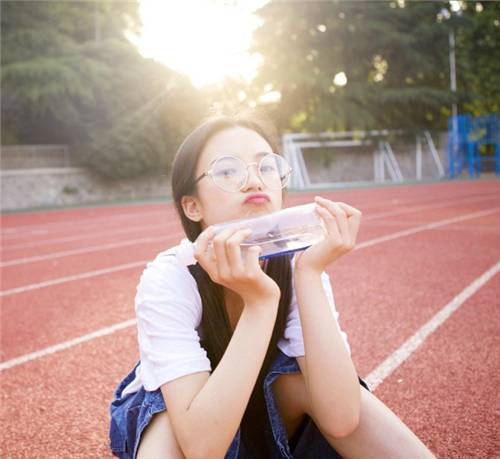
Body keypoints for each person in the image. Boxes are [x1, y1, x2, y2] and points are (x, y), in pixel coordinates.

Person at [108, 112, 436, 459]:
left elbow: (342, 419)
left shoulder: (299, 266)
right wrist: (260, 303)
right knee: (166, 422)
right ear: (192, 205)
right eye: (228, 171)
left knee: (298, 378)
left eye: (267, 167)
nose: (254, 181)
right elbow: (201, 447)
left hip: (273, 409)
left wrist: (309, 275)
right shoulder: (169, 278)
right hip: (193, 421)